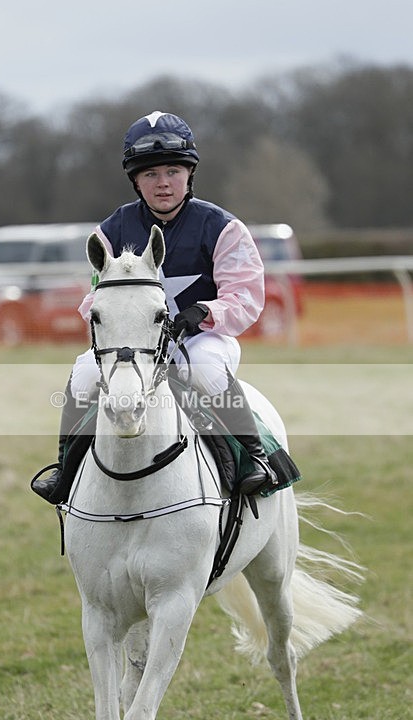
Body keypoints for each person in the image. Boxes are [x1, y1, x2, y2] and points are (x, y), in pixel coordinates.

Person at [32, 110, 277, 503]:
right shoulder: (110, 232)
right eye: (150, 174)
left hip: (201, 339)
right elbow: (95, 299)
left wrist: (204, 313)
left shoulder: (224, 228)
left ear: (189, 174)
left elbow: (247, 297)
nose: (163, 183)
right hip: (134, 343)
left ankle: (256, 458)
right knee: (81, 376)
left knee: (207, 370)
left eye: (172, 172)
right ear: (136, 180)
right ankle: (64, 471)